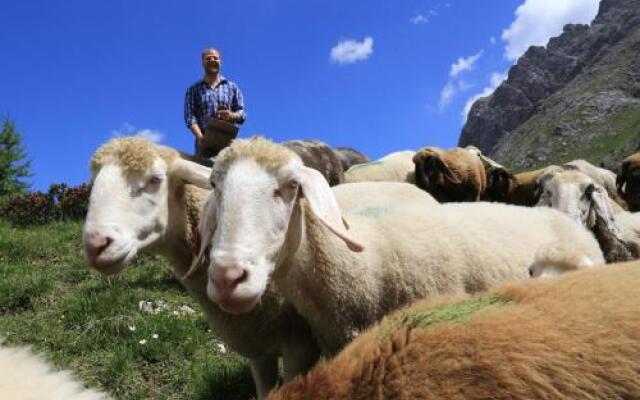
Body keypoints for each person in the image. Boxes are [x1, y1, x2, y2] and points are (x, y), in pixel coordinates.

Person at [184, 48, 246, 157]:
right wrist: (200, 136)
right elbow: (190, 117)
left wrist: (231, 115)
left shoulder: (232, 87)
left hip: (228, 143)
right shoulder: (193, 89)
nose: (212, 60)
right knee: (204, 172)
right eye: (208, 58)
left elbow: (242, 114)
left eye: (215, 58)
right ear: (202, 62)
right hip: (204, 143)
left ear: (220, 62)